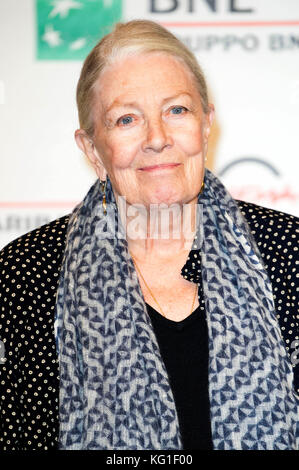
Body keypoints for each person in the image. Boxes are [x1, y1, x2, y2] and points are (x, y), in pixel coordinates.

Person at [0, 19, 298, 451]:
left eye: (177, 110)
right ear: (91, 147)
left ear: (206, 124)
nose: (157, 139)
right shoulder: (26, 275)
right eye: (126, 119)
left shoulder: (287, 251)